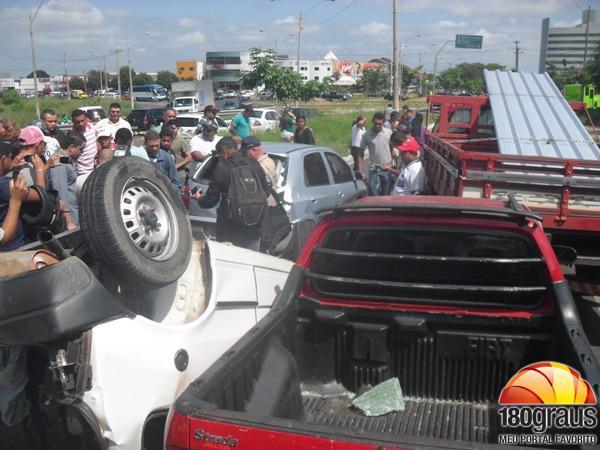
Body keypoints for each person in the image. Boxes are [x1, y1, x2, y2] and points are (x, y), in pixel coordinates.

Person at [195, 137, 268, 251]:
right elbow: (266, 192)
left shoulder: (222, 167)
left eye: (219, 154)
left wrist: (199, 199)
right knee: (251, 262)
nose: (219, 158)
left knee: (229, 263)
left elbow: (211, 200)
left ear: (225, 151)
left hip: (229, 227)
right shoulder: (253, 164)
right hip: (254, 225)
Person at [47, 132, 85, 229]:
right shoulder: (59, 161)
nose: (82, 153)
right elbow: (59, 190)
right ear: (71, 147)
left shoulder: (66, 160)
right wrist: (68, 220)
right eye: (81, 149)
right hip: (68, 218)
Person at [360, 112, 393, 196]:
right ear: (372, 121)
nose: (377, 126)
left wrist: (394, 163)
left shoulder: (388, 133)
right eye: (375, 123)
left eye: (379, 124)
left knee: (386, 192)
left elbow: (392, 148)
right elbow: (360, 154)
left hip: (387, 167)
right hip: (374, 168)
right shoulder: (366, 135)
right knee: (373, 189)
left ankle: (385, 207)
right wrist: (361, 170)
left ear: (383, 122)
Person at [71, 108, 97, 183]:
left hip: (95, 170)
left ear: (86, 119)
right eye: (77, 122)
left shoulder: (92, 128)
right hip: (81, 172)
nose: (80, 124)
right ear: (73, 122)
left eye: (82, 121)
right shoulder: (72, 136)